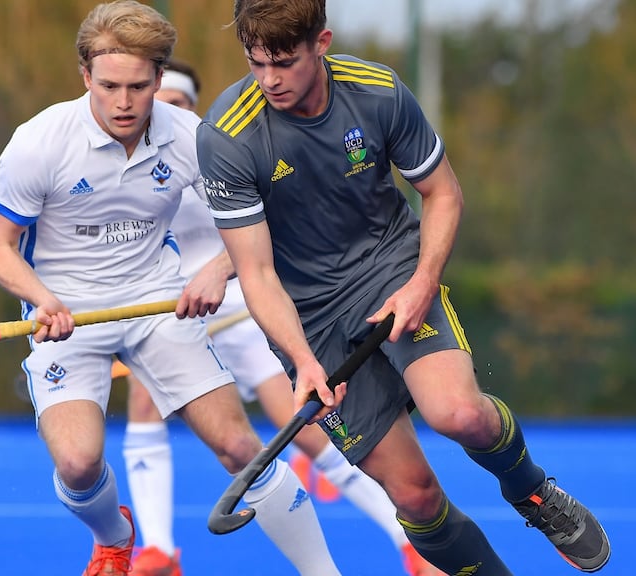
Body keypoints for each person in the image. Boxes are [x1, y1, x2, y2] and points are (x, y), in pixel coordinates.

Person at [195, 1, 612, 574]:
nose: (269, 81)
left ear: (322, 43)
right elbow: (258, 274)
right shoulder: (227, 135)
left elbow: (442, 193)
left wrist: (423, 282)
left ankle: (533, 491)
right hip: (310, 320)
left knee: (459, 414)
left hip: (391, 269)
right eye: (255, 64)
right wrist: (302, 363)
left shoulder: (378, 92)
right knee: (414, 496)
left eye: (284, 63)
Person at [0, 2, 344, 574]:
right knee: (77, 463)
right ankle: (115, 536)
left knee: (240, 448)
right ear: (85, 77)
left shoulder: (192, 137)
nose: (123, 103)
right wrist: (42, 298)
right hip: (65, 317)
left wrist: (217, 269)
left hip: (158, 308)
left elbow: (264, 223)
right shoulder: (39, 142)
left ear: (159, 79)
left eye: (138, 86)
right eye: (109, 86)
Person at [121, 59, 445, 576]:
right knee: (143, 405)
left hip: (252, 308)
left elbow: (270, 228)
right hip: (177, 313)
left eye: (178, 103)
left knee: (313, 429)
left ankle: (409, 541)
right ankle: (160, 550)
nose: (168, 111)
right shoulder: (131, 165)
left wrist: (218, 270)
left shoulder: (211, 149)